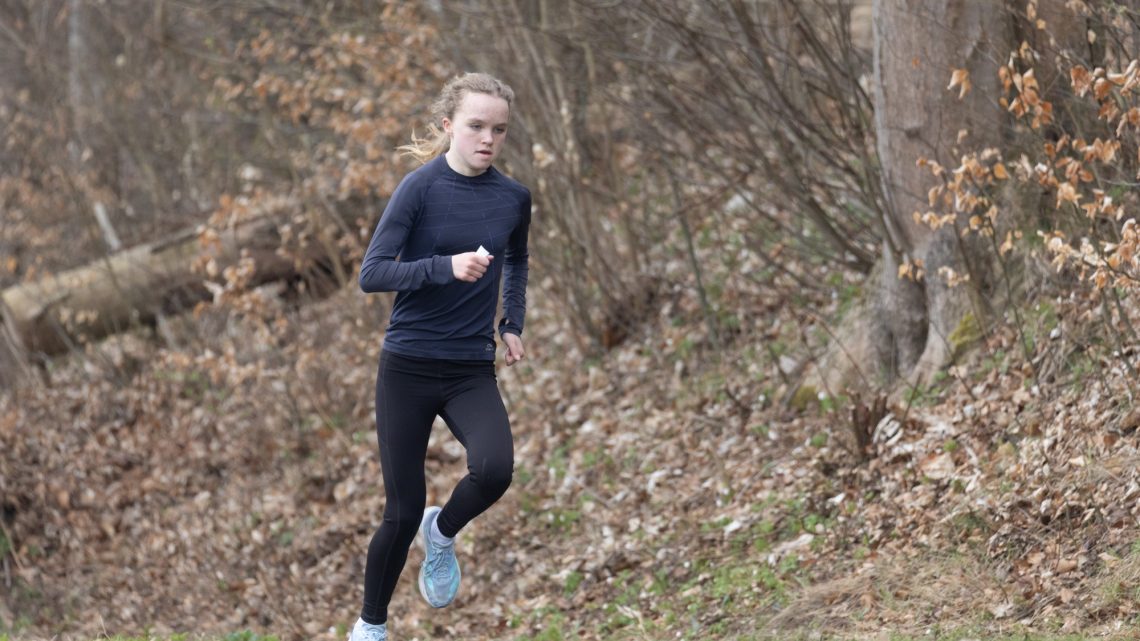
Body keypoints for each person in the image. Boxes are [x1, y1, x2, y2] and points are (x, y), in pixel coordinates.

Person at [348, 72, 531, 641]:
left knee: (495, 469)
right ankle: (370, 627)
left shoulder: (513, 198)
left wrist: (512, 323)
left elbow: (517, 260)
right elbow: (372, 273)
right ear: (449, 124)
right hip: (407, 366)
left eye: (499, 129)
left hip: (469, 367)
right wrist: (444, 267)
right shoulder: (419, 188)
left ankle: (444, 533)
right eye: (476, 126)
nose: (488, 139)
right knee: (402, 512)